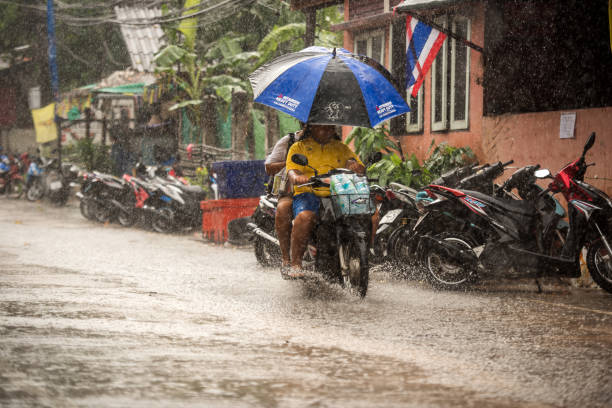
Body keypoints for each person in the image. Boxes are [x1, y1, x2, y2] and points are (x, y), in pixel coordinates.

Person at [285, 124, 365, 278]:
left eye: (331, 127)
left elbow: (355, 164)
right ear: (312, 128)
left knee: (368, 214)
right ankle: (296, 263)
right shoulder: (298, 147)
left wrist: (356, 167)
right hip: (309, 193)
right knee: (305, 217)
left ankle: (363, 254)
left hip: (339, 194)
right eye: (324, 127)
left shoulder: (341, 147)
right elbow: (292, 172)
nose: (329, 130)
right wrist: (298, 178)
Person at [264, 126, 306, 268]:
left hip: (321, 191)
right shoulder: (289, 141)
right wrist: (288, 163)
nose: (321, 130)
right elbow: (269, 167)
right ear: (304, 125)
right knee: (283, 209)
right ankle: (286, 259)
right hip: (290, 191)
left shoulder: (332, 143)